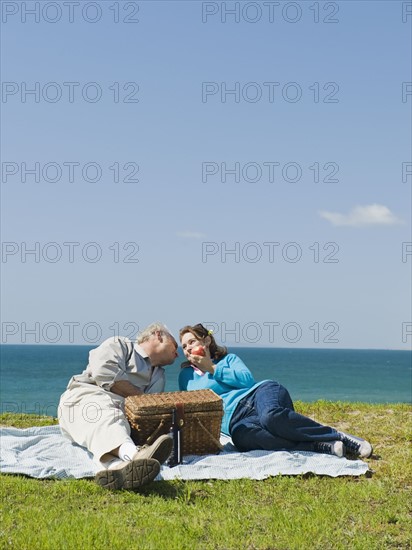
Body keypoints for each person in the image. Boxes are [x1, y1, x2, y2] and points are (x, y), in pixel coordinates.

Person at [179, 324, 373, 459]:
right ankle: (318, 445)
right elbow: (193, 406)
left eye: (192, 342)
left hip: (259, 394)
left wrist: (211, 368)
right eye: (184, 346)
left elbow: (247, 381)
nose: (188, 348)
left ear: (205, 341)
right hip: (236, 421)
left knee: (270, 417)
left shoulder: (228, 360)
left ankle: (339, 436)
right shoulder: (186, 376)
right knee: (243, 439)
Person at [59, 322, 179, 491]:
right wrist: (142, 399)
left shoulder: (159, 376)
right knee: (105, 414)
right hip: (85, 398)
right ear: (158, 335)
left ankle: (117, 468)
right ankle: (137, 456)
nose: (178, 353)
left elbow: (148, 412)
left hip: (123, 416)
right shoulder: (120, 345)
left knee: (117, 423)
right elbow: (105, 373)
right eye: (175, 345)